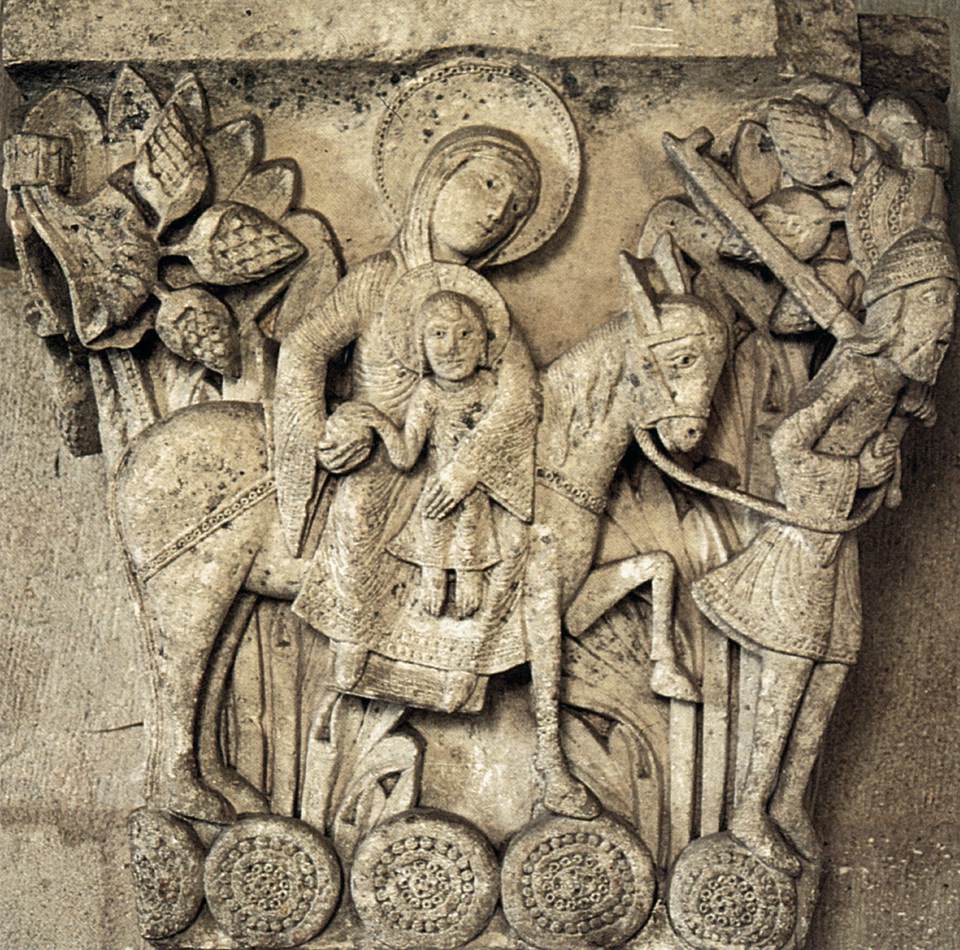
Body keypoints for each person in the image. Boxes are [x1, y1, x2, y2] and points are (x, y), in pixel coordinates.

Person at [692, 225, 958, 875]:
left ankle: (787, 801)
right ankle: (748, 810)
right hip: (803, 541)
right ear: (895, 308)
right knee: (791, 670)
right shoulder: (862, 368)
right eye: (936, 312)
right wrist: (856, 474)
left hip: (837, 543)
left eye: (950, 321)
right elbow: (788, 446)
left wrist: (888, 451)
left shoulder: (893, 383)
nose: (944, 331)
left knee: (838, 661)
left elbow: (883, 494)